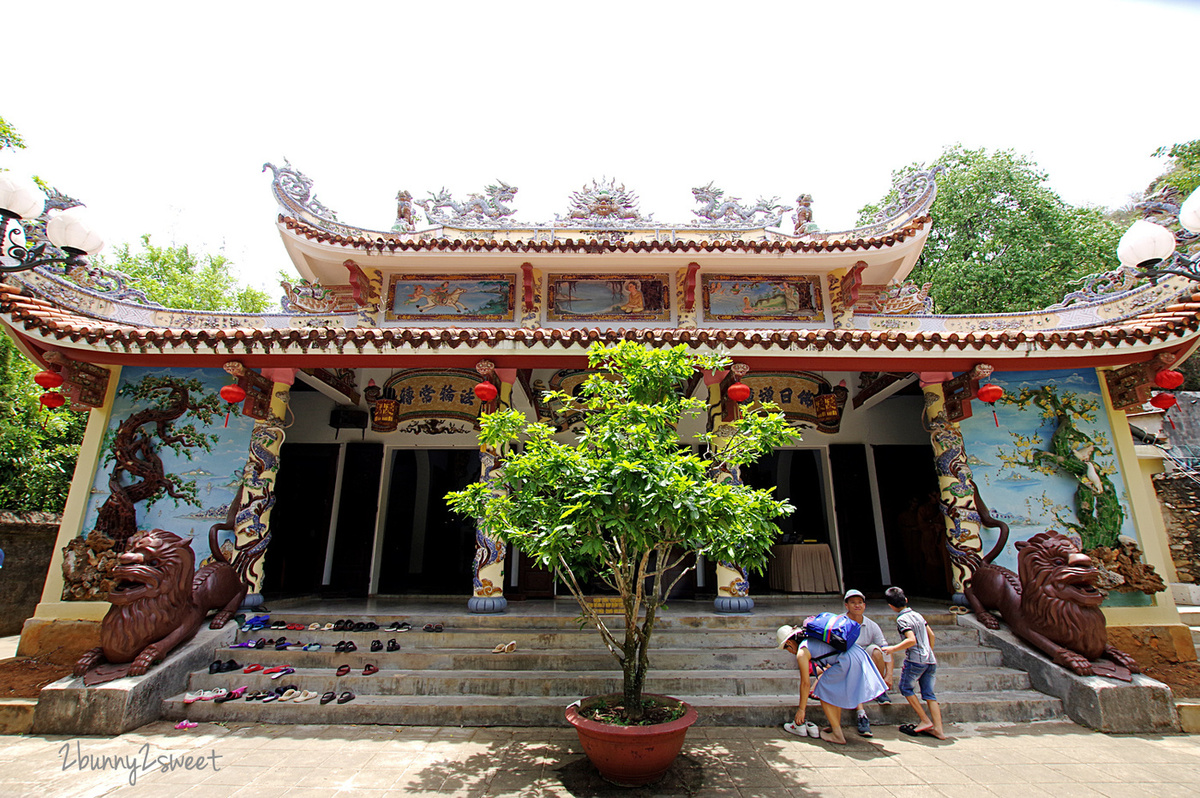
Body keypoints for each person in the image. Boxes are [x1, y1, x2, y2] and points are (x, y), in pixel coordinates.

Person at [775, 621, 887, 745]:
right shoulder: (811, 638)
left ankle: (837, 735)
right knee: (831, 689)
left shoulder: (802, 652)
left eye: (786, 648)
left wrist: (801, 709)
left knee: (823, 689)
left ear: (789, 643)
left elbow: (805, 684)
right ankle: (835, 727)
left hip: (847, 659)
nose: (789, 652)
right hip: (856, 653)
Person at [881, 586, 946, 740]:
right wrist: (928, 651)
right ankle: (939, 729)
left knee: (905, 688)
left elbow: (911, 640)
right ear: (906, 600)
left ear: (891, 606)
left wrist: (892, 649)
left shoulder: (902, 619)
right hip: (930, 659)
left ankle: (925, 720)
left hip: (916, 659)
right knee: (929, 694)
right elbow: (931, 635)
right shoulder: (917, 615)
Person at [842, 589, 893, 738]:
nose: (857, 606)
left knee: (877, 651)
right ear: (846, 606)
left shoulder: (871, 625)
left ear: (864, 605)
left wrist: (889, 675)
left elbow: (887, 650)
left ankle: (879, 688)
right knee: (854, 660)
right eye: (853, 603)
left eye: (860, 603)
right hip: (848, 660)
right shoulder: (840, 623)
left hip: (865, 658)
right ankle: (861, 714)